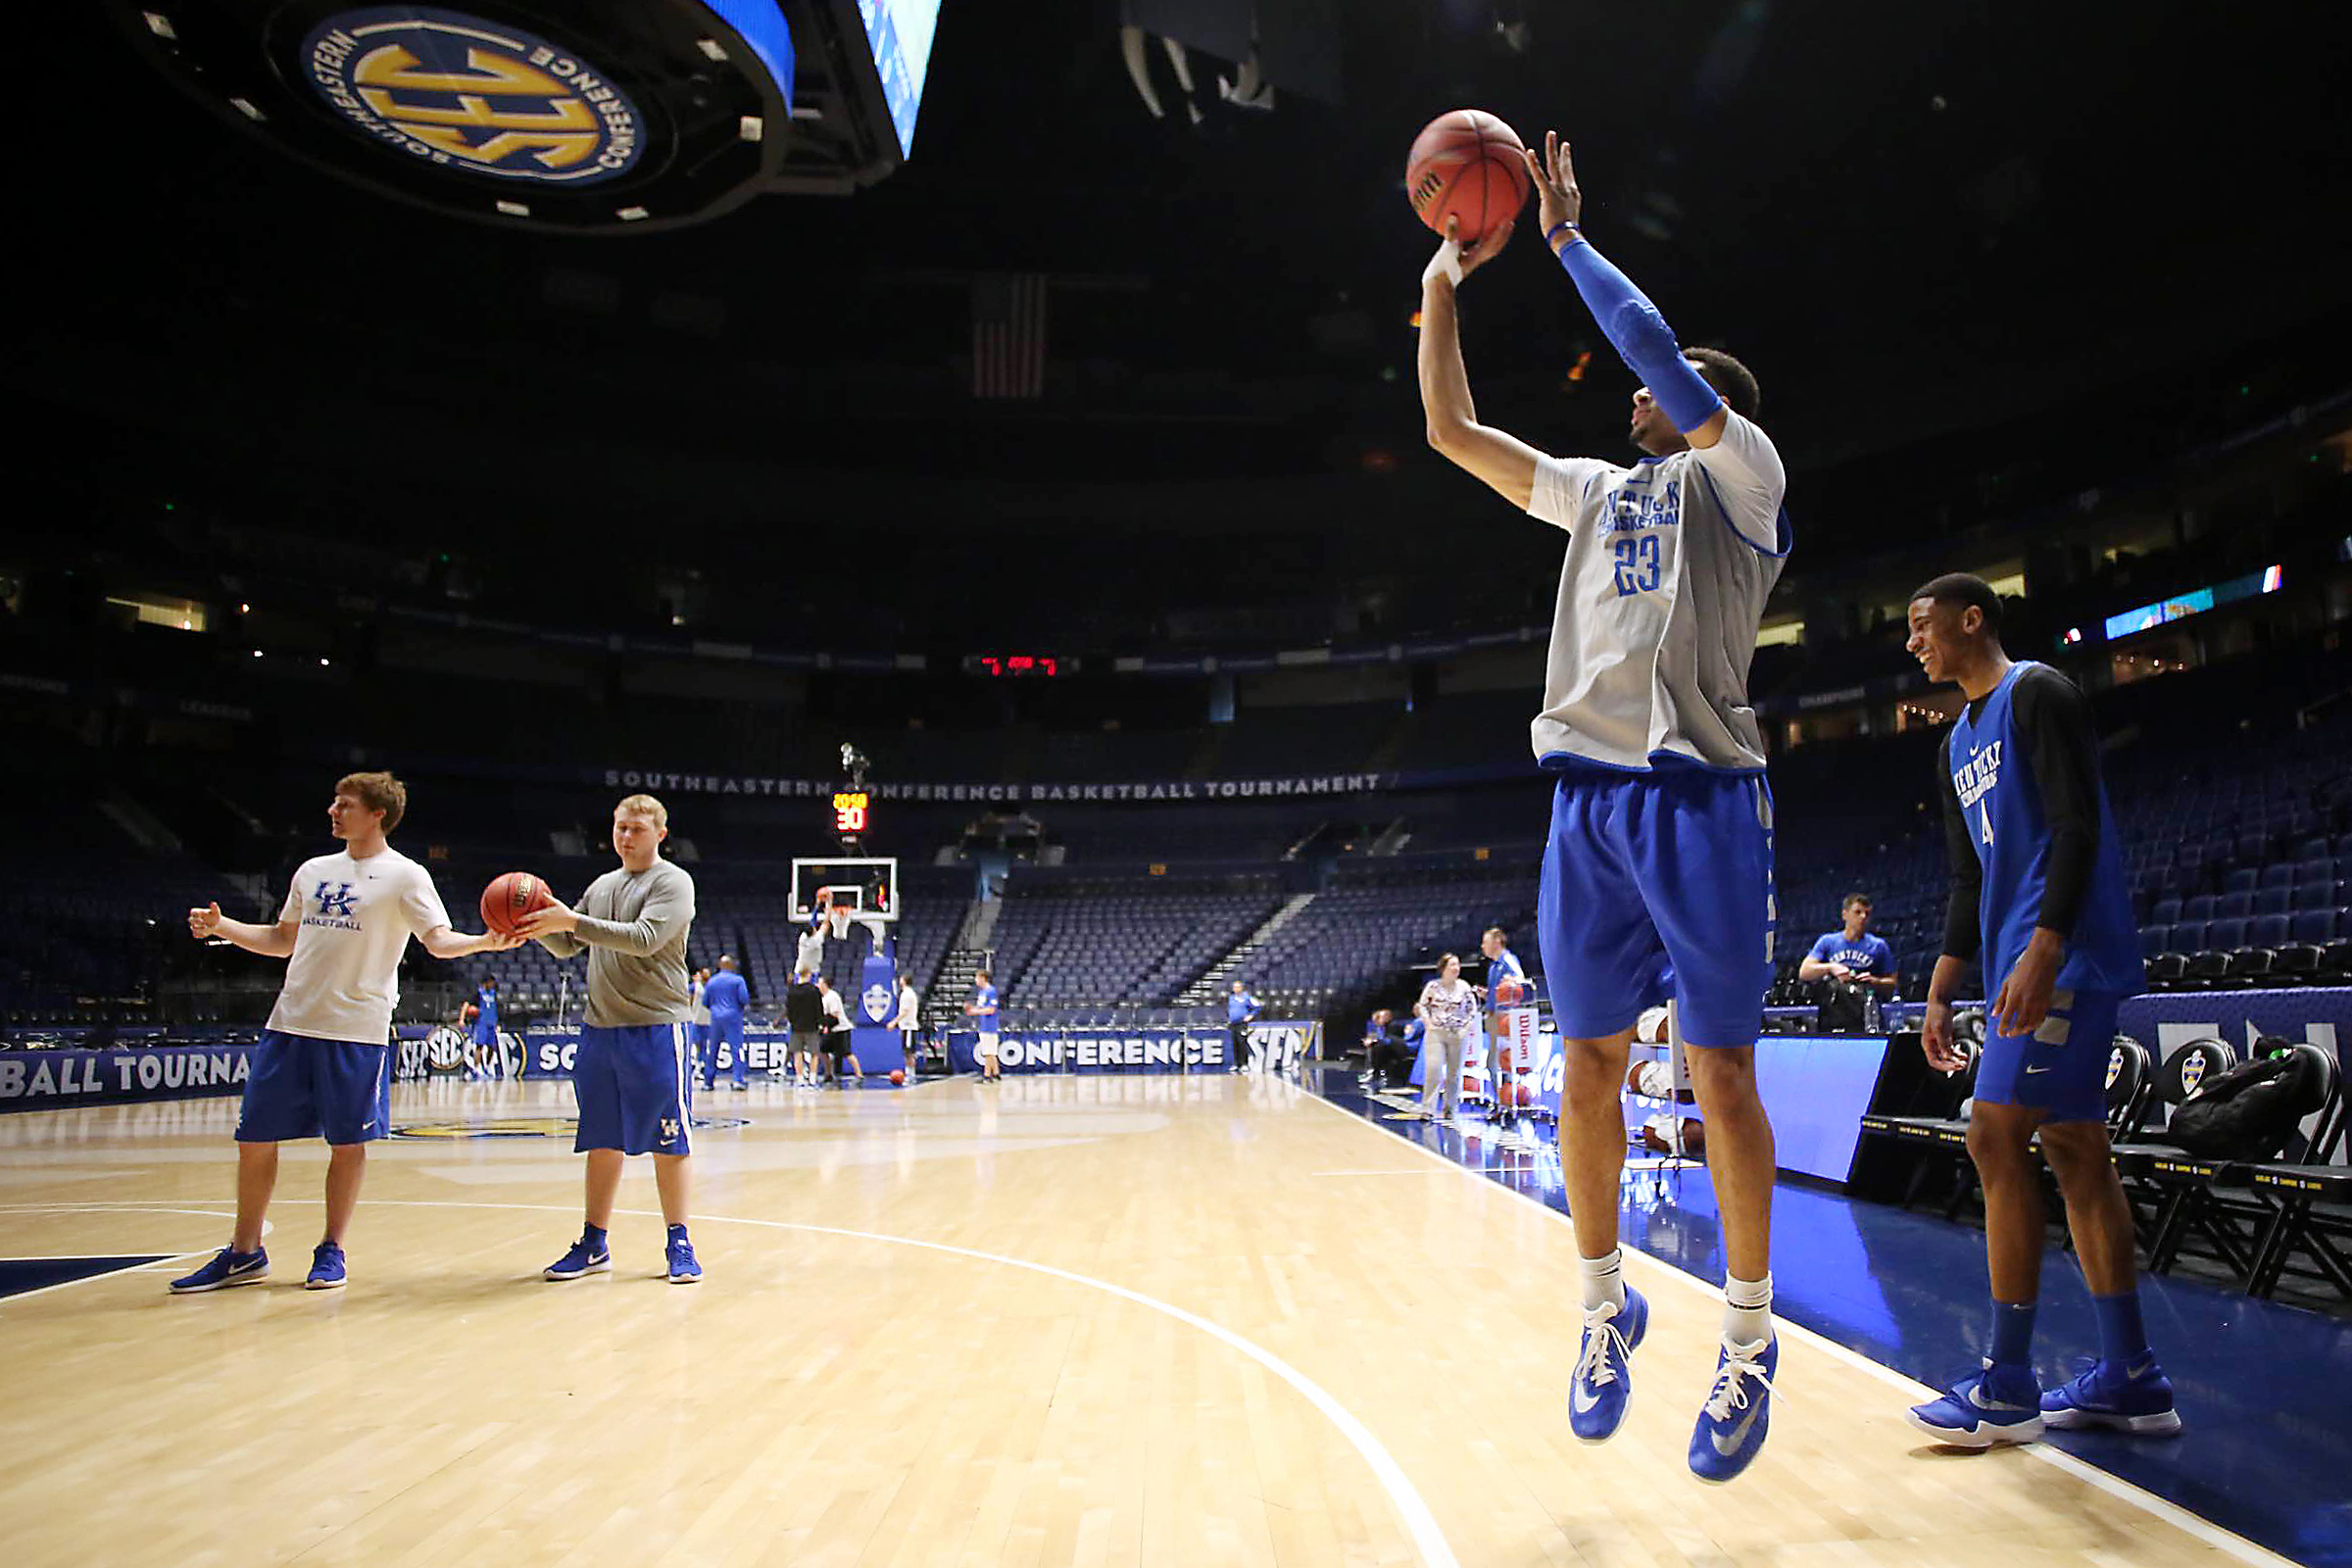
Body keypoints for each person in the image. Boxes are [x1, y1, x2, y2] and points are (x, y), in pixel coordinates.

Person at [1416, 130, 1789, 1480]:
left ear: (1698, 402)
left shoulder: (1744, 479)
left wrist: (1567, 240)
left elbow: (1658, 354)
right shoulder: (1595, 495)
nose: (1629, 394)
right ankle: (1602, 1309)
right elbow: (1451, 433)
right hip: (1587, 806)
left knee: (1724, 1073)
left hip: (1701, 802)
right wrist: (1445, 287)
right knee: (1586, 1064)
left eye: (1655, 386)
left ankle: (1747, 1342)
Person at [1902, 574, 2178, 1445]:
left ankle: (2009, 1381)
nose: (1915, 644)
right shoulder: (1951, 750)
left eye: (1923, 627)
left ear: (1970, 619)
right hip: (2017, 960)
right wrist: (1944, 987)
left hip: (2064, 954)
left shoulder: (2040, 692)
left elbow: (2076, 824)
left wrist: (2047, 945)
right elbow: (1967, 878)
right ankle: (2130, 1376)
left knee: (1992, 1136)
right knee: (2074, 1150)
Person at [170, 772, 518, 1295]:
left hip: (357, 1030)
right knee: (255, 1138)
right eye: (334, 802)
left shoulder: (406, 876)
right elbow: (283, 939)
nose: (333, 810)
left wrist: (485, 943)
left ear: (378, 813)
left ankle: (332, 1249)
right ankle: (245, 1253)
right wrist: (225, 927)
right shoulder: (312, 871)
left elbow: (438, 941)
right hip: (290, 1022)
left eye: (345, 803)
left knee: (349, 1143)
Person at [517, 794, 703, 1286]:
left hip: (658, 1027)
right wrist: (533, 923)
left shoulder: (672, 882)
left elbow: (644, 938)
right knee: (602, 1140)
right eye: (620, 827)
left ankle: (679, 1241)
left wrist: (572, 921)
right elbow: (566, 945)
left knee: (670, 1141)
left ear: (660, 834)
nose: (625, 836)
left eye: (637, 829)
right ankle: (594, 1241)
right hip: (601, 1029)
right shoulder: (602, 885)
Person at [1414, 954, 1480, 1122]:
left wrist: (1466, 1028)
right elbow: (1422, 1006)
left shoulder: (1464, 987)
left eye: (1457, 964)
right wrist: (1428, 1023)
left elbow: (1473, 1010)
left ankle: (1450, 1108)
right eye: (1452, 965)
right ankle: (1428, 1109)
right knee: (1434, 1070)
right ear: (1443, 968)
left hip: (1457, 1034)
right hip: (1437, 1033)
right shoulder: (1433, 987)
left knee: (1454, 1073)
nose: (1456, 968)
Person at [1799, 894, 1899, 1002]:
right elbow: (1805, 972)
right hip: (1834, 1006)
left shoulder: (1879, 945)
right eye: (1858, 912)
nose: (1863, 917)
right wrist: (1831, 967)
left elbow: (1893, 983)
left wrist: (1875, 982)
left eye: (1867, 913)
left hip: (1865, 1004)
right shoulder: (1827, 941)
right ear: (1844, 915)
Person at [1479, 926, 1529, 1122]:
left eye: (1485, 941)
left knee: (1499, 1063)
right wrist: (1488, 994)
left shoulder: (1507, 960)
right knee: (1495, 1064)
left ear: (1497, 941)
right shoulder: (1494, 965)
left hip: (1505, 1021)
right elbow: (1499, 992)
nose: (1482, 946)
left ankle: (1505, 1103)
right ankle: (1502, 1102)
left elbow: (1520, 981)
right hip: (1494, 1017)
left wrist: (1513, 982)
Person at [703, 955, 750, 1092]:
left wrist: (716, 1008)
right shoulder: (738, 980)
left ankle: (708, 1082)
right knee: (736, 1049)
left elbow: (705, 1002)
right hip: (733, 1016)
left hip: (716, 1017)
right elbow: (744, 999)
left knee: (712, 1050)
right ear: (731, 965)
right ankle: (737, 1080)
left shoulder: (712, 981)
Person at [784, 969, 825, 1092]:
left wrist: (792, 1022)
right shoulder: (814, 991)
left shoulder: (792, 991)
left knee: (797, 1053)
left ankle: (800, 1080)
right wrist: (820, 1023)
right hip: (811, 1027)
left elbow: (789, 1010)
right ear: (808, 975)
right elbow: (819, 1009)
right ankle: (812, 1080)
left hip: (796, 1027)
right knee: (814, 1054)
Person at [816, 974, 860, 1084]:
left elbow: (835, 1015)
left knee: (847, 1053)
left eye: (820, 983)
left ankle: (859, 1075)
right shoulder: (823, 998)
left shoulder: (833, 996)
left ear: (825, 985)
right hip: (831, 1029)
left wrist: (827, 1027)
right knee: (822, 1051)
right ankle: (828, 1074)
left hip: (841, 1029)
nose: (818, 985)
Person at [966, 967, 1002, 1083]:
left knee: (988, 1053)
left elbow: (991, 1009)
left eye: (977, 978)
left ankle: (987, 1076)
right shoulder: (981, 992)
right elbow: (980, 1008)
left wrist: (975, 1012)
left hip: (990, 1026)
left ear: (983, 978)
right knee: (991, 1052)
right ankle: (996, 1074)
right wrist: (971, 1009)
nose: (976, 981)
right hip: (983, 1024)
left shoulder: (991, 991)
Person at [1226, 978, 1261, 1073]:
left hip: (1242, 1023)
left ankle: (1244, 1064)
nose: (1236, 989)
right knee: (1235, 1043)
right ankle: (1236, 1063)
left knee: (1242, 1043)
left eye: (1238, 987)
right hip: (1233, 1024)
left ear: (1241, 988)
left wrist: (1251, 1016)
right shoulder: (1231, 998)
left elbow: (1258, 1006)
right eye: (1234, 987)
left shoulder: (1247, 997)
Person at [468, 975, 503, 1074]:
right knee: (480, 1046)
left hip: (492, 1022)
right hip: (481, 1023)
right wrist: (471, 1013)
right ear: (485, 983)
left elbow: (496, 1008)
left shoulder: (493, 994)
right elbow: (469, 1005)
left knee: (492, 1047)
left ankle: (487, 1067)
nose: (492, 985)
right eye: (491, 982)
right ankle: (477, 1068)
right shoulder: (478, 993)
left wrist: (497, 1022)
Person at [893, 974, 923, 1080]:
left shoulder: (907, 994)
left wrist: (893, 1022)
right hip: (906, 1026)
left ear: (904, 981)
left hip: (909, 1027)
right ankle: (909, 1072)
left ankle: (911, 1074)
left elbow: (904, 1011)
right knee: (907, 1052)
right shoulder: (907, 993)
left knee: (909, 1052)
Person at [687, 966, 712, 1088]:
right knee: (693, 1047)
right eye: (705, 972)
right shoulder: (694, 986)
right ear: (701, 974)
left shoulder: (711, 986)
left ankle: (698, 1069)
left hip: (707, 1021)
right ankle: (691, 1070)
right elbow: (688, 999)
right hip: (695, 1020)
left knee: (703, 1047)